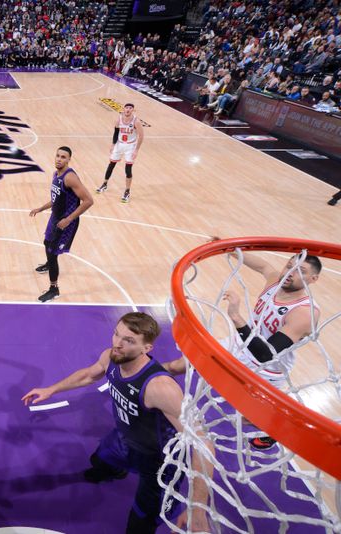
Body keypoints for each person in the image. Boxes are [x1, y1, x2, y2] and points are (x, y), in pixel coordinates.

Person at [22, 312, 212, 533]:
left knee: (140, 524)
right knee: (98, 461)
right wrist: (51, 389)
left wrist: (198, 507)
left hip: (160, 461)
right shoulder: (111, 357)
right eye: (116, 334)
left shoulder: (161, 388)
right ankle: (116, 470)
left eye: (128, 340)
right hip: (125, 439)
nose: (117, 344)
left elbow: (202, 443)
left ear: (146, 348)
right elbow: (88, 375)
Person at [163, 250, 321, 450]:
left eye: (301, 271)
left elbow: (266, 354)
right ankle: (144, 380)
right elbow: (263, 266)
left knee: (250, 418)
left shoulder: (305, 312)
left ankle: (278, 428)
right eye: (289, 266)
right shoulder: (275, 281)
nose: (290, 272)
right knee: (181, 364)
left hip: (268, 367)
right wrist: (233, 250)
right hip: (240, 343)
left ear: (313, 279)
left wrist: (236, 317)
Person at [30, 146, 94, 302]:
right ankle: (49, 263)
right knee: (46, 242)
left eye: (63, 157)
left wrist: (68, 219)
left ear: (69, 159)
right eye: (57, 155)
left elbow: (88, 201)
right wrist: (41, 208)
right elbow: (55, 200)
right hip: (55, 217)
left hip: (66, 222)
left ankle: (54, 289)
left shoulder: (69, 177)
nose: (59, 159)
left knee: (53, 254)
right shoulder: (56, 174)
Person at [96, 103, 144, 203]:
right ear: (123, 109)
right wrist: (113, 144)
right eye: (126, 108)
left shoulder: (136, 121)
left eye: (130, 108)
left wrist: (136, 150)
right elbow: (116, 132)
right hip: (119, 144)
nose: (128, 110)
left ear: (133, 110)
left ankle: (127, 191)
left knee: (128, 169)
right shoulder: (119, 119)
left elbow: (141, 136)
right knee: (111, 164)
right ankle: (104, 184)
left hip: (130, 146)